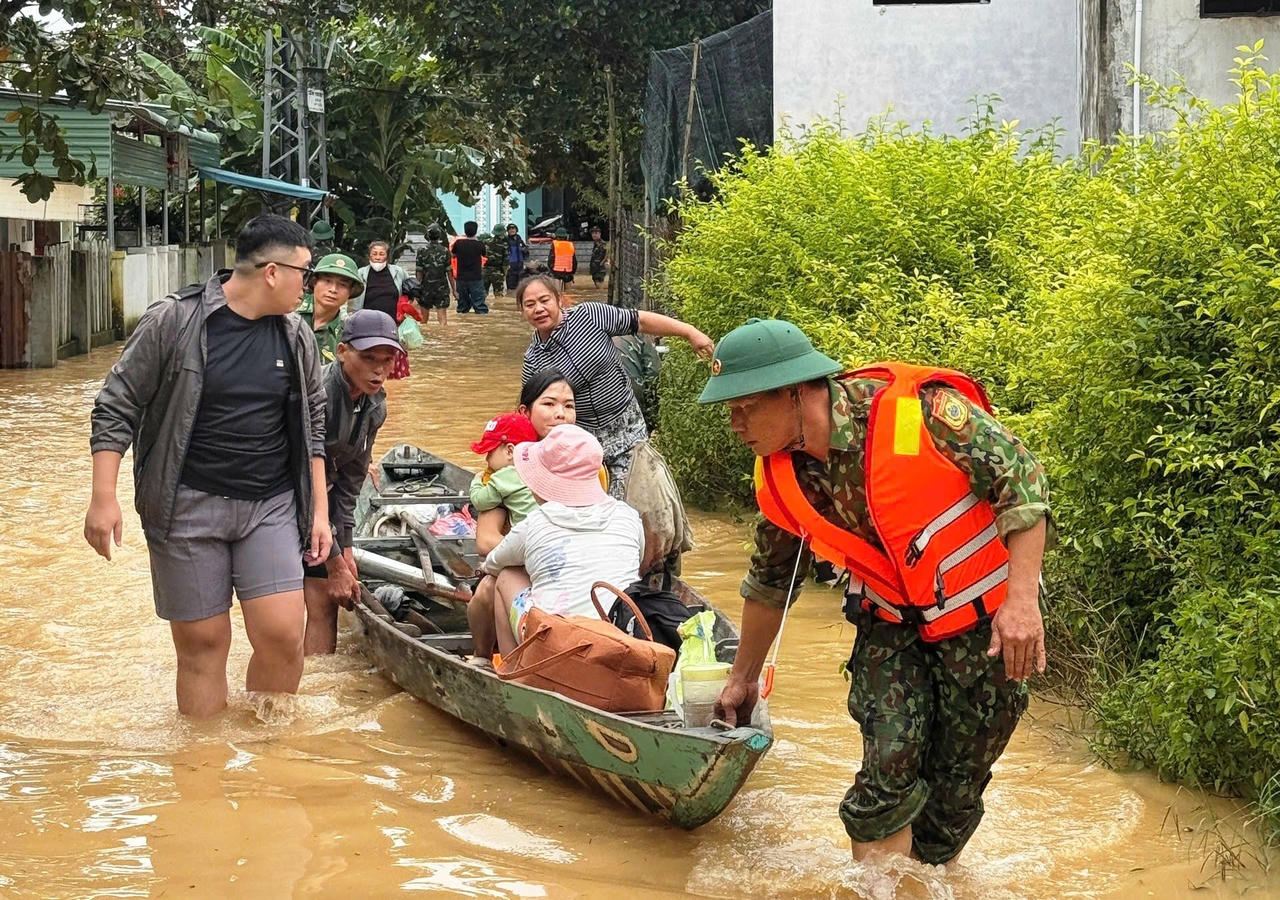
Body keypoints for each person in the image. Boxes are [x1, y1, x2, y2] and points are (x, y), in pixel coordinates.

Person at [698, 318, 1050, 867]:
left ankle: (928, 872)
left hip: (985, 628)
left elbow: (1023, 482)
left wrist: (1023, 602)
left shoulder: (920, 413)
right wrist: (742, 679)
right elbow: (769, 583)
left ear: (795, 390)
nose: (735, 424)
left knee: (953, 798)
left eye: (745, 407)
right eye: (729, 411)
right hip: (889, 625)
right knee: (888, 768)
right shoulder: (779, 478)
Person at [84, 214, 330, 718]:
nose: (309, 287)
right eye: (305, 273)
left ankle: (269, 754)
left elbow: (314, 427)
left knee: (284, 634)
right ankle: (203, 763)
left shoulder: (296, 336)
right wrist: (103, 497)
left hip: (271, 504)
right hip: (187, 502)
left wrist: (320, 512)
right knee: (203, 643)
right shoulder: (173, 321)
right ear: (272, 272)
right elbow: (117, 406)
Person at [517, 274, 714, 496]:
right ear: (523, 312)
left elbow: (640, 321)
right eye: (530, 305)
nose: (539, 309)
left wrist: (689, 332)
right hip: (582, 439)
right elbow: (529, 412)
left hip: (626, 424)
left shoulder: (589, 316)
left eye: (545, 300)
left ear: (559, 299)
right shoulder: (534, 358)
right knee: (593, 502)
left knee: (635, 497)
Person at [482, 425, 644, 655]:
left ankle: (513, 672)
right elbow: (638, 561)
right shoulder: (627, 515)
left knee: (506, 577)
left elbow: (493, 563)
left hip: (553, 645)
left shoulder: (536, 522)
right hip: (621, 639)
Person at [303, 309, 400, 655]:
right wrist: (334, 563)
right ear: (343, 352)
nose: (379, 370)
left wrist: (345, 550)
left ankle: (320, 680)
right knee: (315, 596)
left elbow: (349, 485)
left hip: (322, 502)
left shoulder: (374, 406)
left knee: (326, 599)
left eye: (387, 360)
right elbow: (302, 482)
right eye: (368, 358)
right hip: (288, 496)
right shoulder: (319, 396)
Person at [469, 412, 540, 528]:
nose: (487, 458)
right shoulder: (539, 467)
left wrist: (477, 481)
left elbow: (479, 501)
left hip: (529, 533)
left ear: (509, 451)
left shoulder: (505, 475)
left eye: (490, 452)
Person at [297, 253, 364, 364]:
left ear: (350, 292)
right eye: (327, 281)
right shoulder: (288, 311)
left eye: (342, 285)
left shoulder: (347, 335)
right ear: (314, 282)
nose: (333, 289)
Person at [354, 240, 408, 319]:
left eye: (381, 254)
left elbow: (411, 291)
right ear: (369, 256)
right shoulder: (360, 274)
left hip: (393, 321)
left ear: (387, 256)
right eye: (374, 254)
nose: (378, 257)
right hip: (366, 321)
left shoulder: (399, 272)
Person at [414, 226, 453, 327]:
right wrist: (454, 290)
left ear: (427, 236)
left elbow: (419, 272)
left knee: (423, 321)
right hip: (441, 288)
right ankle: (443, 339)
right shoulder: (445, 251)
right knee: (443, 320)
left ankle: (426, 340)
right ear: (439, 236)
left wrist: (416, 290)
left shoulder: (421, 250)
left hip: (425, 288)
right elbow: (449, 272)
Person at [451, 221, 488, 314]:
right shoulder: (480, 244)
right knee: (480, 306)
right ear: (476, 231)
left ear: (465, 230)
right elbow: (485, 254)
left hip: (461, 278)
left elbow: (453, 255)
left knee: (462, 307)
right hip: (476, 278)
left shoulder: (458, 243)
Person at [484, 225, 509, 298]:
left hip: (484, 271)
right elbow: (505, 263)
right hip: (497, 272)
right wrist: (505, 274)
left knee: (483, 295)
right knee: (499, 295)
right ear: (502, 234)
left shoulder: (486, 242)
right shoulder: (504, 245)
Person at [504, 223, 528, 293]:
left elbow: (525, 251)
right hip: (511, 265)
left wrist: (525, 250)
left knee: (521, 286)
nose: (512, 230)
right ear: (507, 231)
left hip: (520, 265)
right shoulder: (506, 240)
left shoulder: (519, 239)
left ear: (516, 230)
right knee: (511, 287)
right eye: (510, 229)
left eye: (513, 229)